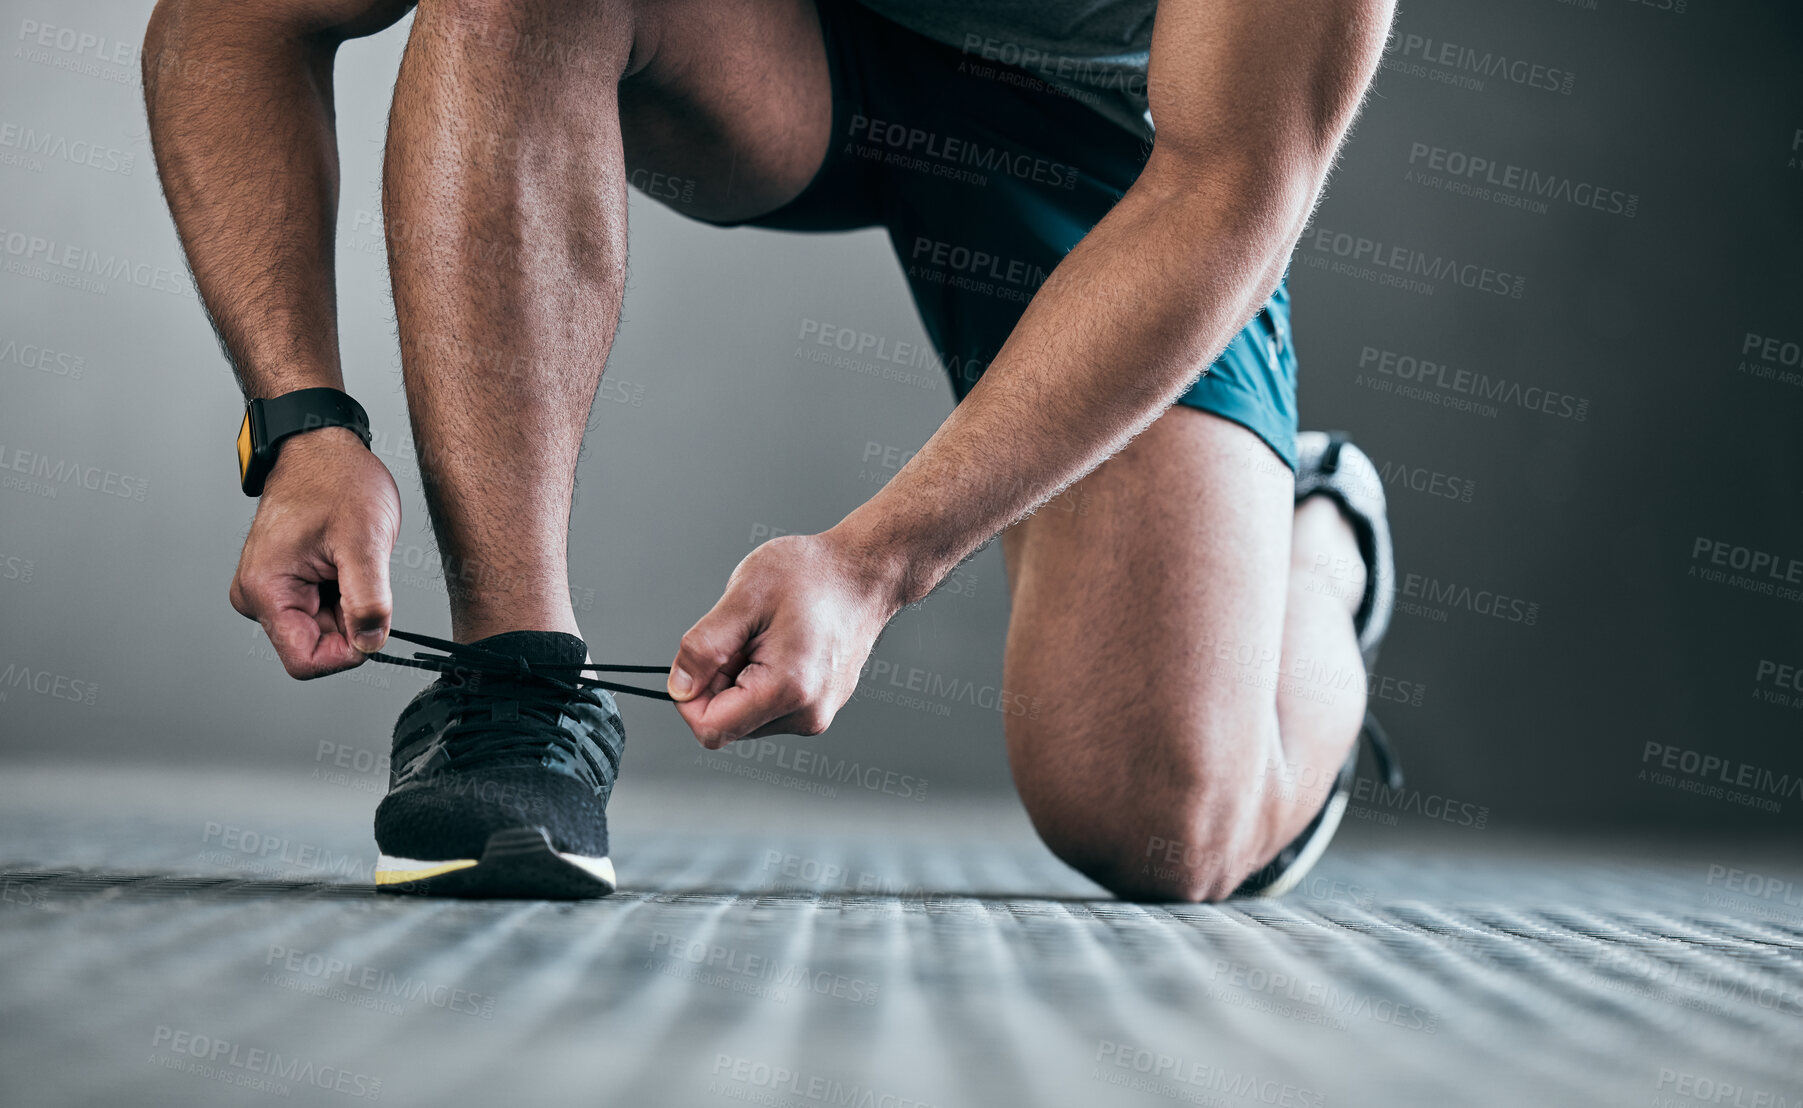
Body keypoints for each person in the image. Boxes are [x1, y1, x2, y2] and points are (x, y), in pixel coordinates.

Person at [143, 0, 1399, 901]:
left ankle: (1320, 537)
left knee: (1160, 823)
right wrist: (301, 421)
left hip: (1123, 136)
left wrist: (876, 564)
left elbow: (1230, 182)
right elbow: (233, 19)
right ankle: (512, 697)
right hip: (788, 37)